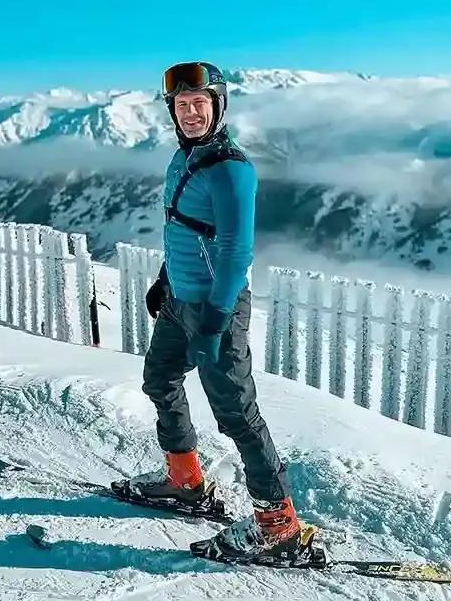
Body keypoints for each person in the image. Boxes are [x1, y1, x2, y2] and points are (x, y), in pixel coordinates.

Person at [112, 61, 312, 562]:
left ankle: (279, 526)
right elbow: (180, 228)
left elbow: (235, 252)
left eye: (200, 103)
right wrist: (165, 279)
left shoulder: (231, 171)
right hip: (181, 300)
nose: (191, 112)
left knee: (238, 416)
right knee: (160, 380)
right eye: (182, 105)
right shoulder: (182, 160)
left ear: (219, 106)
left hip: (214, 309)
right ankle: (185, 482)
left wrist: (216, 321)